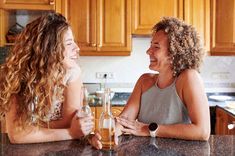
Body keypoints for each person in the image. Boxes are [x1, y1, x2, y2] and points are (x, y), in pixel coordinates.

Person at [90, 17, 210, 149]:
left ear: (174, 53)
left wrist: (149, 129)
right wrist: (109, 132)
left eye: (156, 47)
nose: (148, 51)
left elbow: (202, 131)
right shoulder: (144, 81)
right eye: (150, 45)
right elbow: (125, 120)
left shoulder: (188, 78)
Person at [0, 12, 94, 143]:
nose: (77, 48)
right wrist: (71, 133)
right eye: (69, 43)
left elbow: (68, 122)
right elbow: (17, 135)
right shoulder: (16, 75)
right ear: (49, 48)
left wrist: (31, 129)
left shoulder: (72, 72)